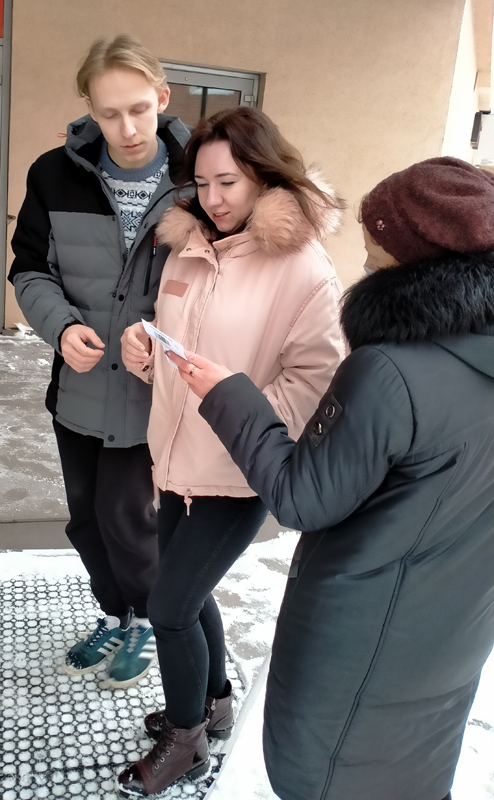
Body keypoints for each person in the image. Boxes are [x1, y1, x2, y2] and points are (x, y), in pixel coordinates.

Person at [169, 156, 494, 800]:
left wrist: (231, 396)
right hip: (453, 636)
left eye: (375, 251)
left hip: (360, 642)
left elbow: (303, 497)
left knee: (321, 778)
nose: (364, 259)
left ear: (418, 261)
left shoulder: (390, 371)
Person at [117, 106, 347, 795]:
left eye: (229, 183)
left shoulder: (303, 266)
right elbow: (178, 341)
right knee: (188, 593)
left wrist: (230, 400)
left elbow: (316, 384)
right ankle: (214, 700)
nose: (212, 199)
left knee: (169, 608)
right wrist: (143, 347)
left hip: (238, 472)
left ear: (263, 176)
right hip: (174, 461)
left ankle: (187, 740)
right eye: (201, 183)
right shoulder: (189, 245)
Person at [8, 35, 190, 688]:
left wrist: (163, 337)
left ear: (162, 98)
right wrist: (60, 328)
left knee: (130, 519)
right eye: (110, 113)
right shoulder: (53, 173)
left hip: (151, 395)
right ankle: (116, 614)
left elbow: (219, 285)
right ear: (89, 108)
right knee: (86, 518)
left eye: (139, 109)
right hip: (79, 390)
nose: (128, 128)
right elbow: (29, 268)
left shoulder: (197, 180)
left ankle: (148, 618)